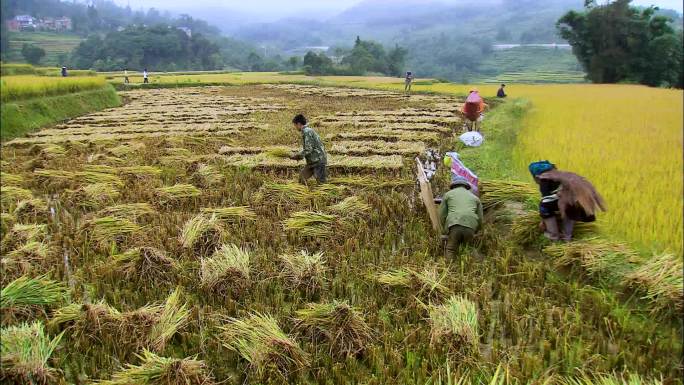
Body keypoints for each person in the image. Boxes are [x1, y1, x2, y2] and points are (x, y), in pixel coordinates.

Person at [528, 160, 606, 241]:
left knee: (544, 206)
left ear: (536, 177)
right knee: (569, 207)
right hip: (580, 202)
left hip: (571, 201)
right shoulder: (563, 175)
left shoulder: (544, 179)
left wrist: (543, 221)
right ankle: (567, 236)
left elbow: (546, 201)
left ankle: (553, 235)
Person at [438, 176, 483, 259]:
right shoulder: (475, 198)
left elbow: (442, 215)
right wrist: (478, 230)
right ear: (466, 186)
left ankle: (450, 269)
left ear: (453, 185)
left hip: (454, 224)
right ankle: (478, 265)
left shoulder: (448, 195)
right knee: (470, 248)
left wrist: (445, 229)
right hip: (471, 225)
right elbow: (480, 218)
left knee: (451, 249)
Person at [290, 114, 328, 185]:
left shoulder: (307, 132)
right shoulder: (306, 131)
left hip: (318, 160)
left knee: (321, 183)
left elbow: (308, 149)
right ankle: (303, 193)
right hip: (312, 161)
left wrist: (298, 156)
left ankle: (328, 194)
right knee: (302, 178)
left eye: (295, 125)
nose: (295, 127)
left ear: (298, 124)